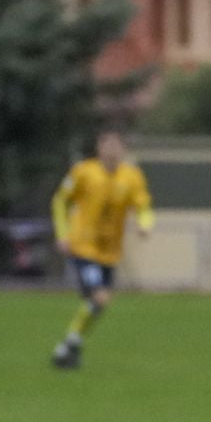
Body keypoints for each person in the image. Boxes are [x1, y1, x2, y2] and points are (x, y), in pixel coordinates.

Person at [50, 131, 153, 369]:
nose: (112, 150)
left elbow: (143, 205)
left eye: (117, 145)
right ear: (99, 148)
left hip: (110, 251)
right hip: (84, 247)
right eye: (107, 145)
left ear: (124, 149)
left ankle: (67, 348)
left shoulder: (132, 177)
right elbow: (60, 200)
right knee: (99, 296)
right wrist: (62, 233)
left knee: (98, 304)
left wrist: (145, 224)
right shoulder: (84, 172)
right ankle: (70, 346)